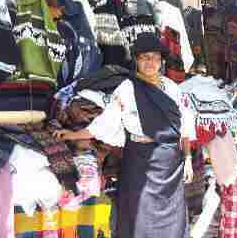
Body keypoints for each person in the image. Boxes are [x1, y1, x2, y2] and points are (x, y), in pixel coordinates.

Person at [54, 32, 194, 238]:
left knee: (172, 220)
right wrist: (72, 135)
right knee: (139, 217)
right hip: (140, 161)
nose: (150, 63)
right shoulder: (127, 89)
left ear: (161, 61)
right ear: (136, 60)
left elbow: (185, 126)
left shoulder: (172, 88)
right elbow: (103, 124)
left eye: (155, 57)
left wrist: (188, 158)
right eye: (145, 57)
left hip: (170, 163)